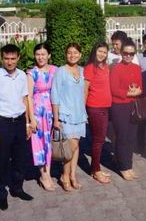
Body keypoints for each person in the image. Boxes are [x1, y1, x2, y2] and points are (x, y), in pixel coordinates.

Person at [0, 44, 33, 211]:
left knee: (20, 159)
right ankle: (0, 193)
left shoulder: (22, 76)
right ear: (2, 58)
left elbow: (25, 100)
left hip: (20, 122)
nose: (10, 62)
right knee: (1, 160)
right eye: (6, 58)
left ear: (18, 58)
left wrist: (27, 123)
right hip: (2, 123)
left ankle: (17, 188)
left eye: (13, 58)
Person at [52, 43, 87, 192]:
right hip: (66, 115)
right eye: (69, 53)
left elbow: (84, 92)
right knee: (70, 147)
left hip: (79, 115)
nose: (72, 55)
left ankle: (73, 175)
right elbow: (55, 95)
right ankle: (65, 176)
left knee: (76, 146)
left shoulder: (82, 70)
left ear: (80, 54)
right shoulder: (60, 71)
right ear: (66, 55)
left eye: (75, 52)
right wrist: (56, 118)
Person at [109, 39, 143, 181]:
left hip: (133, 106)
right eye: (125, 53)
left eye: (131, 54)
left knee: (131, 137)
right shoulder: (116, 68)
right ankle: (123, 167)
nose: (128, 56)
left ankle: (128, 165)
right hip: (119, 106)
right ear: (121, 53)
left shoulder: (136, 68)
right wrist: (129, 93)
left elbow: (140, 86)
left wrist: (138, 91)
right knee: (122, 137)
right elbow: (114, 89)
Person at [26, 43, 57, 191]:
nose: (40, 57)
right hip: (38, 114)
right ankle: (43, 175)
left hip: (51, 112)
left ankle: (48, 173)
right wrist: (31, 119)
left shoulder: (55, 70)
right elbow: (28, 97)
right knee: (39, 144)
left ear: (49, 55)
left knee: (48, 143)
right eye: (38, 54)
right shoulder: (31, 73)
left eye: (43, 54)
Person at [84, 42, 113, 184]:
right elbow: (85, 90)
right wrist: (83, 110)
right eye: (99, 51)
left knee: (99, 139)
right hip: (95, 108)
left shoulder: (106, 67)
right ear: (94, 51)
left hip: (105, 107)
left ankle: (95, 168)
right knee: (98, 139)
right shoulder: (90, 68)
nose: (102, 54)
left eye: (104, 52)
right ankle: (96, 170)